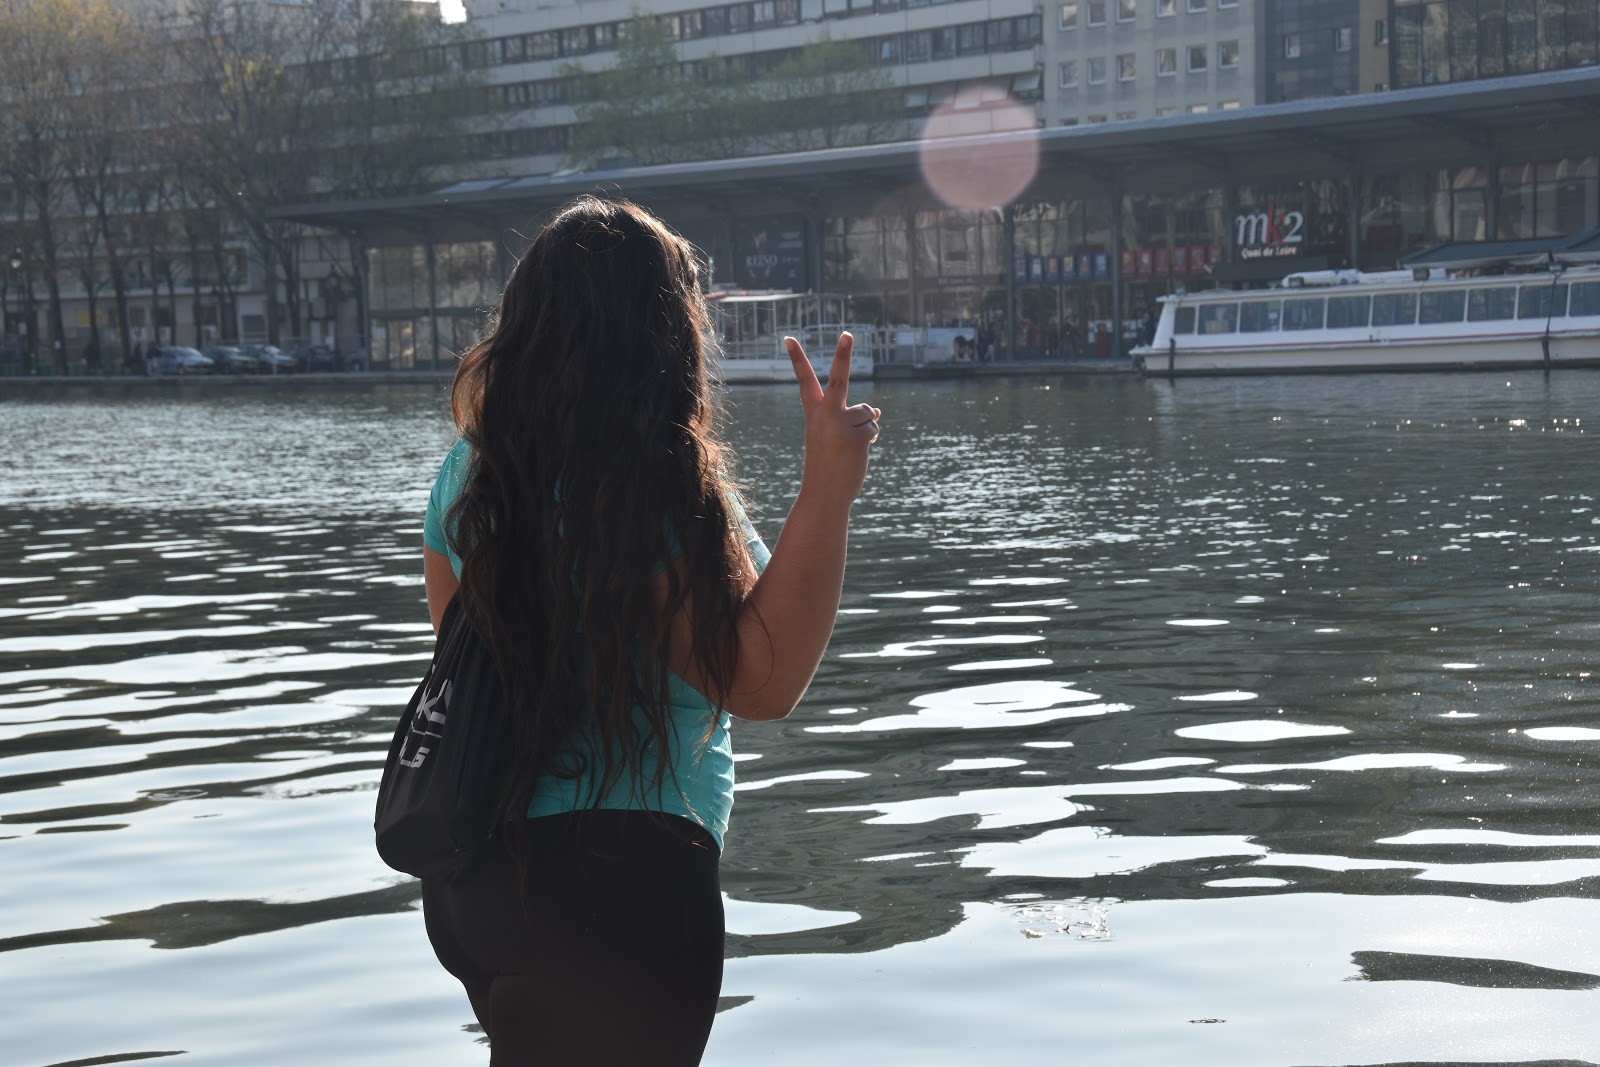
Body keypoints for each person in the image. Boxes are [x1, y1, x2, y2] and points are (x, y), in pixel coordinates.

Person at [416, 196, 880, 1066]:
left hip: (478, 881)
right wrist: (827, 494)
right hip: (619, 886)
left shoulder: (467, 477)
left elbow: (464, 671)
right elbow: (761, 679)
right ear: (663, 335)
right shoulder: (654, 490)